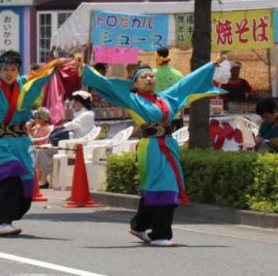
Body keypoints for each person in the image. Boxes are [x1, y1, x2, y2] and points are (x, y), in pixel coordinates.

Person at [80, 58, 224, 246]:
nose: (149, 79)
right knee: (164, 187)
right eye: (144, 77)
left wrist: (211, 65)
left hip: (169, 145)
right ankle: (160, 234)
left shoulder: (167, 97)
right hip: (152, 147)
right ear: (135, 83)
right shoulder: (133, 99)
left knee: (159, 187)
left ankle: (140, 226)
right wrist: (86, 70)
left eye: (151, 76)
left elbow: (186, 83)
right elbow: (108, 85)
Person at [0, 44, 67, 236]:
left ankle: (10, 218)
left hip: (22, 142)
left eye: (13, 69)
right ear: (0, 70)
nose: (8, 73)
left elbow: (41, 77)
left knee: (26, 187)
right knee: (10, 177)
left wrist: (56, 64)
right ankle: (2, 222)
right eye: (5, 69)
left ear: (18, 70)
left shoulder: (25, 84)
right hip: (2, 142)